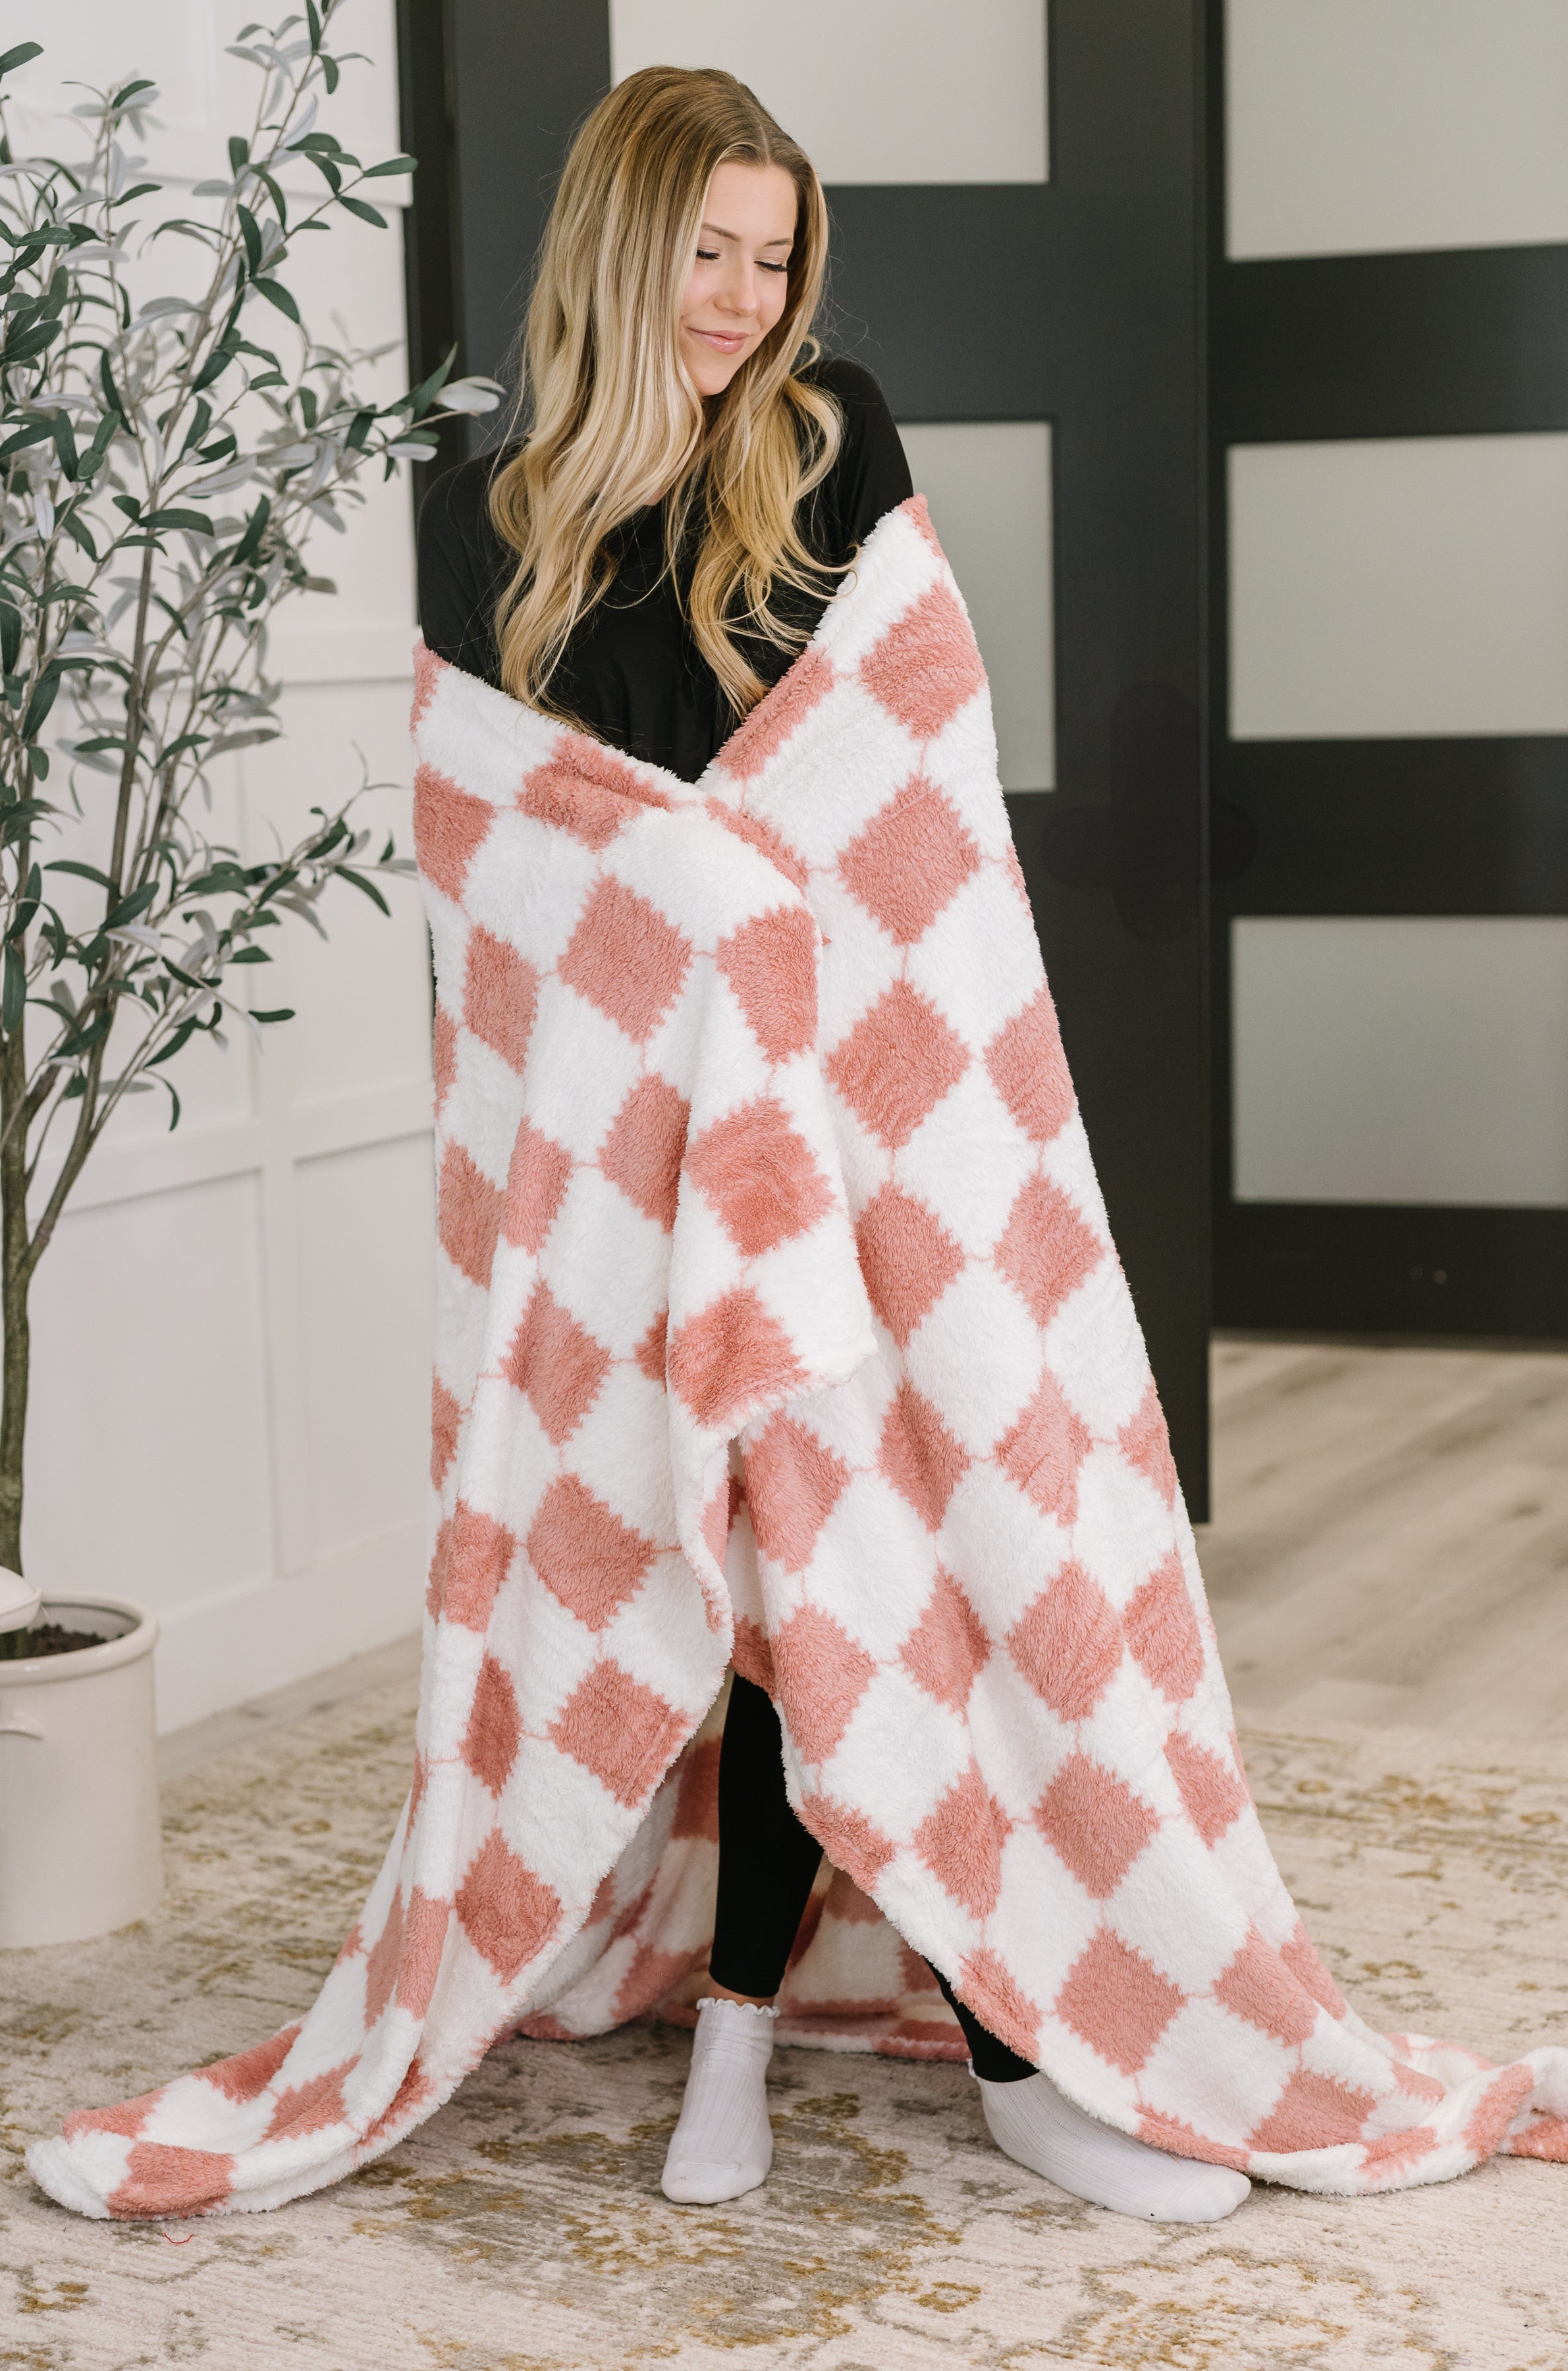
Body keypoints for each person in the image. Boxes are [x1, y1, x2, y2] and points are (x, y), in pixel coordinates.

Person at [417, 63, 1249, 2227]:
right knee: (744, 1571)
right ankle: (766, 2036)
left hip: (865, 1107)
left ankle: (930, 2050)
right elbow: (508, 852)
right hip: (653, 1132)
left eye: (771, 258)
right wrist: (692, 892)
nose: (740, 296)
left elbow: (906, 762)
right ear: (619, 249)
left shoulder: (829, 436)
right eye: (705, 251)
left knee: (864, 1568)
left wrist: (738, 893)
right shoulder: (495, 515)